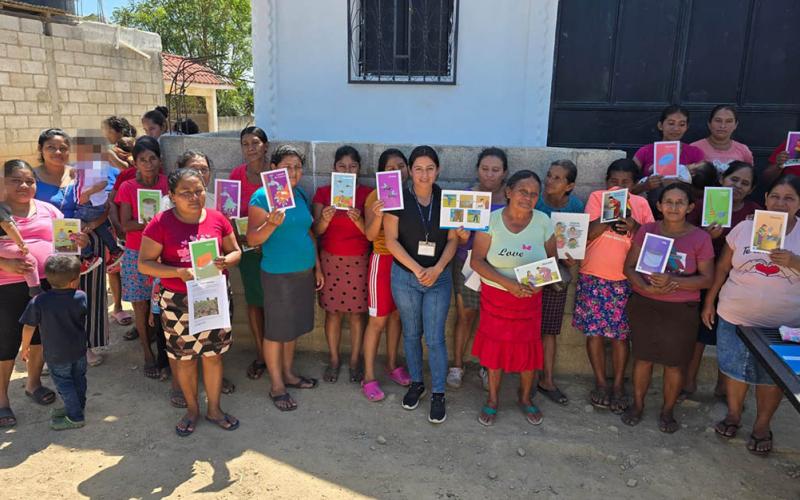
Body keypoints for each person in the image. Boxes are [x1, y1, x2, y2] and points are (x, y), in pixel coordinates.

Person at [139, 168, 242, 436]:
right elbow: (144, 264)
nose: (194, 197)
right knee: (184, 359)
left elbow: (236, 252)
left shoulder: (218, 218)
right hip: (177, 300)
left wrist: (226, 261)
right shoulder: (160, 223)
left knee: (213, 356)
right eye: (185, 192)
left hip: (213, 295)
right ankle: (193, 410)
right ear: (172, 196)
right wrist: (176, 272)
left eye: (198, 191)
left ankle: (215, 409)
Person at [702, 174, 800, 456]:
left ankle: (761, 425)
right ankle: (733, 415)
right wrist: (710, 302)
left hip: (782, 325)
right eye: (775, 197)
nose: (780, 203)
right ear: (766, 199)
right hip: (735, 316)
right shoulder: (745, 229)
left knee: (773, 378)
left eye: (789, 198)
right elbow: (722, 269)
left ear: (799, 203)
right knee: (734, 369)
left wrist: (794, 262)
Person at [0, 160, 88, 427]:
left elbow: (65, 245)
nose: (24, 185)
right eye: (16, 180)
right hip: (7, 287)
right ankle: (2, 401)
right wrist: (6, 264)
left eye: (29, 180)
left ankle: (33, 383)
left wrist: (78, 242)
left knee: (40, 336)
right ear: (3, 183)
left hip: (48, 286)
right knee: (6, 343)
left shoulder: (49, 210)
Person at [622, 183, 714, 433]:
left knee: (675, 363)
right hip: (645, 303)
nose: (674, 207)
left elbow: (707, 278)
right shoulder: (648, 231)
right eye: (668, 202)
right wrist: (647, 287)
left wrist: (674, 281)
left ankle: (667, 411)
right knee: (642, 358)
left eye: (680, 202)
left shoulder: (700, 238)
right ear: (659, 206)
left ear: (690, 207)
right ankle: (638, 404)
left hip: (680, 309)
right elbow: (628, 268)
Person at [470, 170, 556, 426]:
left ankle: (525, 398)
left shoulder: (543, 222)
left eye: (533, 194)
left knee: (528, 351)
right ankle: (493, 399)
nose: (527, 198)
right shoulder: (492, 221)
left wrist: (539, 286)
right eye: (522, 191)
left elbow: (552, 261)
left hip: (529, 299)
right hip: (497, 297)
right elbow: (476, 261)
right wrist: (508, 285)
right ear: (508, 192)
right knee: (495, 351)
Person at [384, 145, 458, 424]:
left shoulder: (448, 198)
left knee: (435, 337)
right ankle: (417, 382)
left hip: (438, 278)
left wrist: (437, 268)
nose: (424, 174)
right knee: (412, 333)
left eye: (430, 168)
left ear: (437, 170)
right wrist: (417, 269)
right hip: (405, 277)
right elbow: (390, 240)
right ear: (409, 171)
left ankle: (438, 392)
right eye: (418, 169)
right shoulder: (397, 198)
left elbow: (453, 239)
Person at [247, 145, 324, 411]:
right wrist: (270, 223)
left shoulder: (300, 195)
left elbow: (309, 233)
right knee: (276, 331)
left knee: (293, 327)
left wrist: (318, 267)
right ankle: (277, 385)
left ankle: (289, 374)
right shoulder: (261, 197)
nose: (293, 172)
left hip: (303, 271)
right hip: (278, 273)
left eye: (297, 167)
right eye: (287, 166)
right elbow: (252, 238)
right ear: (273, 168)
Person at [574, 159, 654, 412]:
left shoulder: (640, 203)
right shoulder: (597, 198)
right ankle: (600, 382)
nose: (619, 186)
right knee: (594, 333)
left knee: (621, 337)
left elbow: (651, 239)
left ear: (634, 184)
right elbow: (584, 234)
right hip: (594, 275)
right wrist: (610, 218)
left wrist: (633, 225)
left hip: (624, 280)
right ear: (606, 182)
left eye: (626, 183)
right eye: (614, 181)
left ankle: (618, 384)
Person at [683, 162, 759, 399]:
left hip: (735, 283)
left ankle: (723, 387)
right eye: (734, 179)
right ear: (722, 179)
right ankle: (688, 383)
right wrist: (704, 235)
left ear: (751, 189)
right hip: (702, 276)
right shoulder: (704, 204)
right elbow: (683, 238)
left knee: (728, 337)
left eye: (745, 183)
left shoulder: (755, 212)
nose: (737, 186)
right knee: (698, 335)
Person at [35, 129, 111, 366]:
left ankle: (84, 346)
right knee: (51, 302)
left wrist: (89, 227)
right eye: (51, 147)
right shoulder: (31, 178)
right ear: (41, 150)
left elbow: (104, 205)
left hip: (82, 243)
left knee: (83, 298)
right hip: (46, 248)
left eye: (63, 148)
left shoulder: (81, 173)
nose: (58, 152)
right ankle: (50, 352)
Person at [447, 147, 508, 390]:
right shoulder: (467, 197)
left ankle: (486, 366)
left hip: (498, 266)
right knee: (466, 315)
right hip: (467, 263)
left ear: (504, 173)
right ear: (477, 170)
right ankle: (457, 366)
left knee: (491, 320)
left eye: (496, 170)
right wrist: (461, 236)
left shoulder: (510, 199)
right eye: (485, 169)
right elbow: (454, 236)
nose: (490, 175)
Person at [312, 146, 372, 383]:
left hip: (358, 260)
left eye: (353, 166)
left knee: (357, 315)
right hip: (330, 260)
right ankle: (335, 359)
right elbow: (315, 231)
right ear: (333, 168)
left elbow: (370, 234)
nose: (348, 171)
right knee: (333, 314)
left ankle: (356, 360)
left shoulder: (368, 194)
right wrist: (325, 220)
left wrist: (358, 220)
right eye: (342, 166)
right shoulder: (323, 193)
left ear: (359, 169)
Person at [115, 137, 169, 378]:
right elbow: (125, 225)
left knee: (161, 305)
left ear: (160, 160)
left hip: (163, 252)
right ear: (135, 163)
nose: (148, 164)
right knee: (140, 304)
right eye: (142, 160)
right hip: (137, 252)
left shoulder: (167, 184)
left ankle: (164, 351)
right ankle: (147, 352)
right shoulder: (128, 187)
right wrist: (147, 224)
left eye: (152, 158)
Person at [533, 159, 584, 405]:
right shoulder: (535, 200)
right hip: (531, 269)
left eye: (557, 178)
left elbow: (576, 242)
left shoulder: (575, 206)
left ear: (570, 185)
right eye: (549, 175)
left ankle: (547, 380)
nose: (549, 181)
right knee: (524, 323)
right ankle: (524, 376)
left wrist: (573, 259)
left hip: (557, 272)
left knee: (550, 328)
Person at [361, 149, 412, 401]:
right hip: (382, 262)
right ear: (382, 172)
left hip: (405, 264)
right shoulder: (375, 196)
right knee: (378, 321)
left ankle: (392, 365)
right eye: (390, 168)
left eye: (401, 166)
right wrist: (378, 214)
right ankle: (369, 376)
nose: (396, 172)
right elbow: (370, 236)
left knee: (396, 318)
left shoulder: (413, 195)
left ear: (408, 169)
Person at [19, 255, 87, 430]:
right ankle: (77, 407)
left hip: (56, 353)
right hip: (79, 349)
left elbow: (28, 326)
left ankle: (75, 416)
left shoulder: (39, 301)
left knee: (64, 383)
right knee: (78, 378)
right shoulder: (80, 296)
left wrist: (25, 346)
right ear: (74, 282)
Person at [230, 127, 270, 380]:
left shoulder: (276, 174)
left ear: (265, 145)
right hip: (248, 248)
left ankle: (278, 353)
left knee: (276, 304)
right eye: (245, 144)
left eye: (255, 142)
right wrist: (245, 239)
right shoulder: (236, 175)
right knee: (255, 303)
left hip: (275, 248)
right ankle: (261, 354)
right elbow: (229, 214)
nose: (250, 148)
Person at [73, 134, 123, 271]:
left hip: (91, 203)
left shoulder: (96, 164)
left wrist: (88, 193)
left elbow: (103, 182)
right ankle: (115, 250)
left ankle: (88, 256)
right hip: (92, 204)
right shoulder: (83, 164)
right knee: (100, 227)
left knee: (74, 225)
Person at [631, 105, 705, 195]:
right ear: (660, 125)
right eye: (671, 123)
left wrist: (679, 185)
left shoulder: (695, 153)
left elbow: (703, 192)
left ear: (686, 127)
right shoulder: (644, 152)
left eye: (681, 124)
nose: (676, 128)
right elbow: (627, 187)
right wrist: (645, 186)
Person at [0, 176, 40, 296]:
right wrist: (21, 244)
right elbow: (9, 227)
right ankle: (35, 289)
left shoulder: (48, 208)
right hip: (4, 245)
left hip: (52, 280)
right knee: (30, 261)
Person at [690, 105, 754, 173]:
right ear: (709, 123)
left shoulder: (743, 150)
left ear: (735, 125)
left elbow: (748, 177)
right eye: (718, 120)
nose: (722, 126)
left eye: (729, 121)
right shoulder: (694, 148)